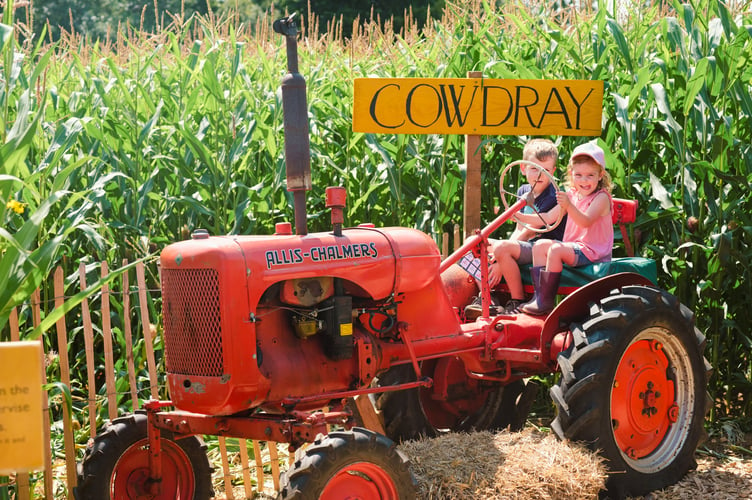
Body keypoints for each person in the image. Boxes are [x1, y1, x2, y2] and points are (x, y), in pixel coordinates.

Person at [464, 138, 565, 319]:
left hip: (544, 247)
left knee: (503, 248)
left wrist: (500, 262)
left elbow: (530, 230)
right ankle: (487, 296)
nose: (540, 175)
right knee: (471, 243)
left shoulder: (553, 196)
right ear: (523, 168)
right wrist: (499, 257)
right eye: (534, 169)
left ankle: (516, 300)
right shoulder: (523, 191)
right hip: (525, 245)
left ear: (553, 172)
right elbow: (519, 229)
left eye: (546, 171)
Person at [518, 140, 614, 315]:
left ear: (600, 175)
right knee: (540, 246)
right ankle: (539, 296)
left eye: (590, 176)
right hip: (574, 247)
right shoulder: (572, 194)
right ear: (571, 174)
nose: (584, 181)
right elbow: (547, 218)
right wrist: (517, 215)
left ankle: (546, 301)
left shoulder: (601, 198)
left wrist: (569, 205)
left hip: (593, 251)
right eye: (578, 175)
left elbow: (585, 221)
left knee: (555, 250)